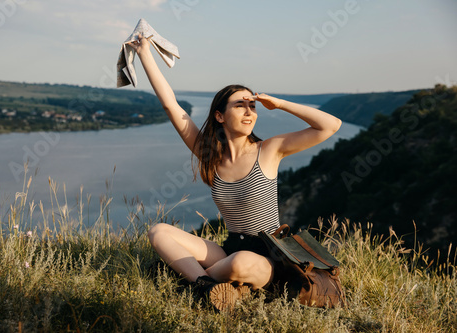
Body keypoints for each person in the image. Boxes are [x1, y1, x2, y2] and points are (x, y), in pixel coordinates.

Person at [128, 35, 342, 310]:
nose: (249, 111)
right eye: (240, 105)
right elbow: (172, 106)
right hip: (228, 249)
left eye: (252, 106)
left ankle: (187, 280)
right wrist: (145, 52)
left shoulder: (269, 150)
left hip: (268, 256)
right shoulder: (210, 156)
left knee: (240, 263)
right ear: (220, 116)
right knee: (159, 232)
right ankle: (208, 288)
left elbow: (330, 125)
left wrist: (280, 104)